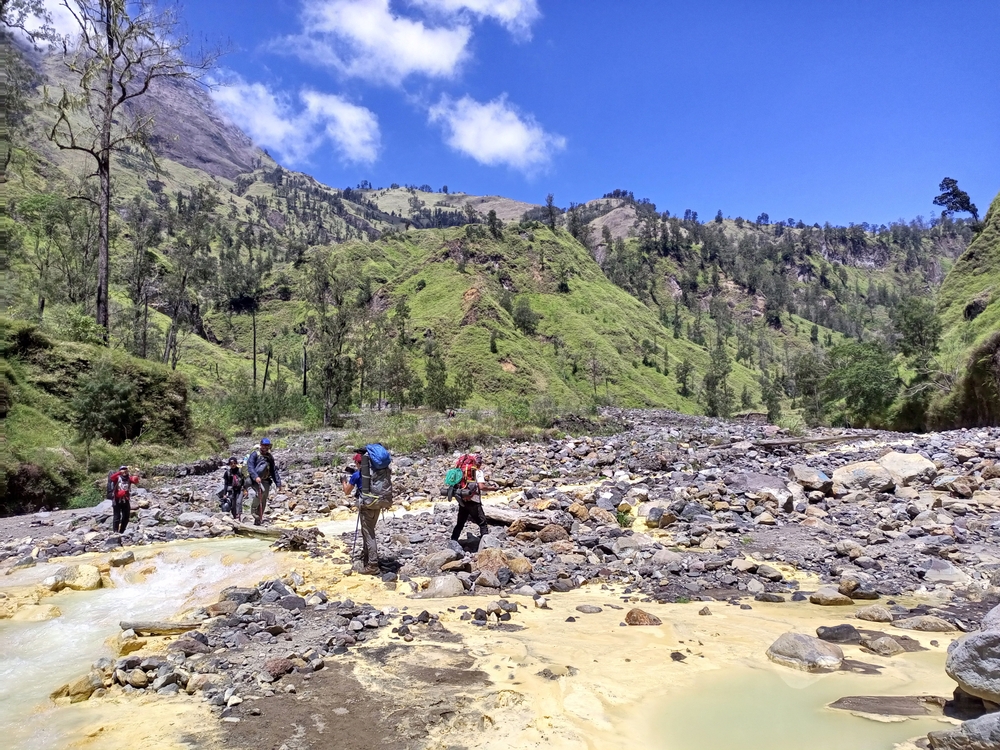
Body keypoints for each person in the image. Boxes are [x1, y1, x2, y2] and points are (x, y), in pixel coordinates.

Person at [343, 448, 390, 575]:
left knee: (369, 534)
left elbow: (347, 491)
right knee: (369, 531)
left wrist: (343, 481)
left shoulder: (356, 475)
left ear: (359, 463)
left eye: (356, 462)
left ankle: (373, 565)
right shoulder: (376, 474)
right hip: (377, 504)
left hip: (366, 507)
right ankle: (367, 557)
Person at [450, 451, 497, 542]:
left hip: (462, 499)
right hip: (474, 501)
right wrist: (492, 489)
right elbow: (481, 487)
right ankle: (485, 544)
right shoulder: (478, 472)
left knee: (460, 523)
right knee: (482, 523)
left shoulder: (462, 471)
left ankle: (453, 541)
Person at [247, 438, 282, 526]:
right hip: (255, 480)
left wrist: (278, 483)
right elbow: (250, 467)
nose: (265, 448)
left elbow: (273, 471)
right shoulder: (255, 454)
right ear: (260, 445)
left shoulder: (269, 457)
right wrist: (256, 477)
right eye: (264, 446)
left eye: (267, 446)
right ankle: (253, 512)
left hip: (266, 480)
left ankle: (259, 518)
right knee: (260, 494)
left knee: (264, 498)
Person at [109, 465, 140, 535]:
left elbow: (135, 481)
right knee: (117, 516)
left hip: (125, 499)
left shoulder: (129, 478)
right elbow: (112, 478)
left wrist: (136, 476)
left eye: (125, 470)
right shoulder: (117, 478)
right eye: (123, 469)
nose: (124, 471)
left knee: (126, 516)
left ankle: (122, 531)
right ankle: (115, 531)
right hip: (117, 499)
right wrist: (119, 473)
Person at [220, 456, 248, 521]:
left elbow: (244, 481)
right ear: (229, 464)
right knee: (233, 504)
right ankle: (235, 516)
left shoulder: (240, 471)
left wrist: (245, 490)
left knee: (239, 502)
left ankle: (238, 515)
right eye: (231, 463)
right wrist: (224, 493)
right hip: (231, 490)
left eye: (234, 463)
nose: (233, 465)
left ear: (236, 463)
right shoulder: (227, 473)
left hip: (240, 489)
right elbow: (226, 484)